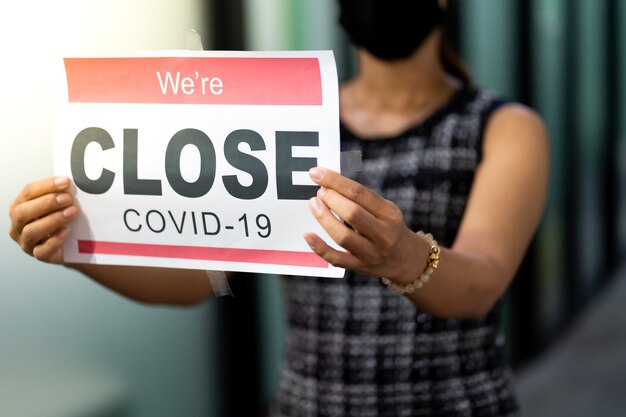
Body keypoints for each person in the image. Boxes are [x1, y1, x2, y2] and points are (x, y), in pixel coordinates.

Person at [8, 0, 549, 416]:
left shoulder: (501, 127)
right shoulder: (289, 121)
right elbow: (202, 279)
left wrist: (405, 258)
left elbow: (483, 282)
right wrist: (76, 246)